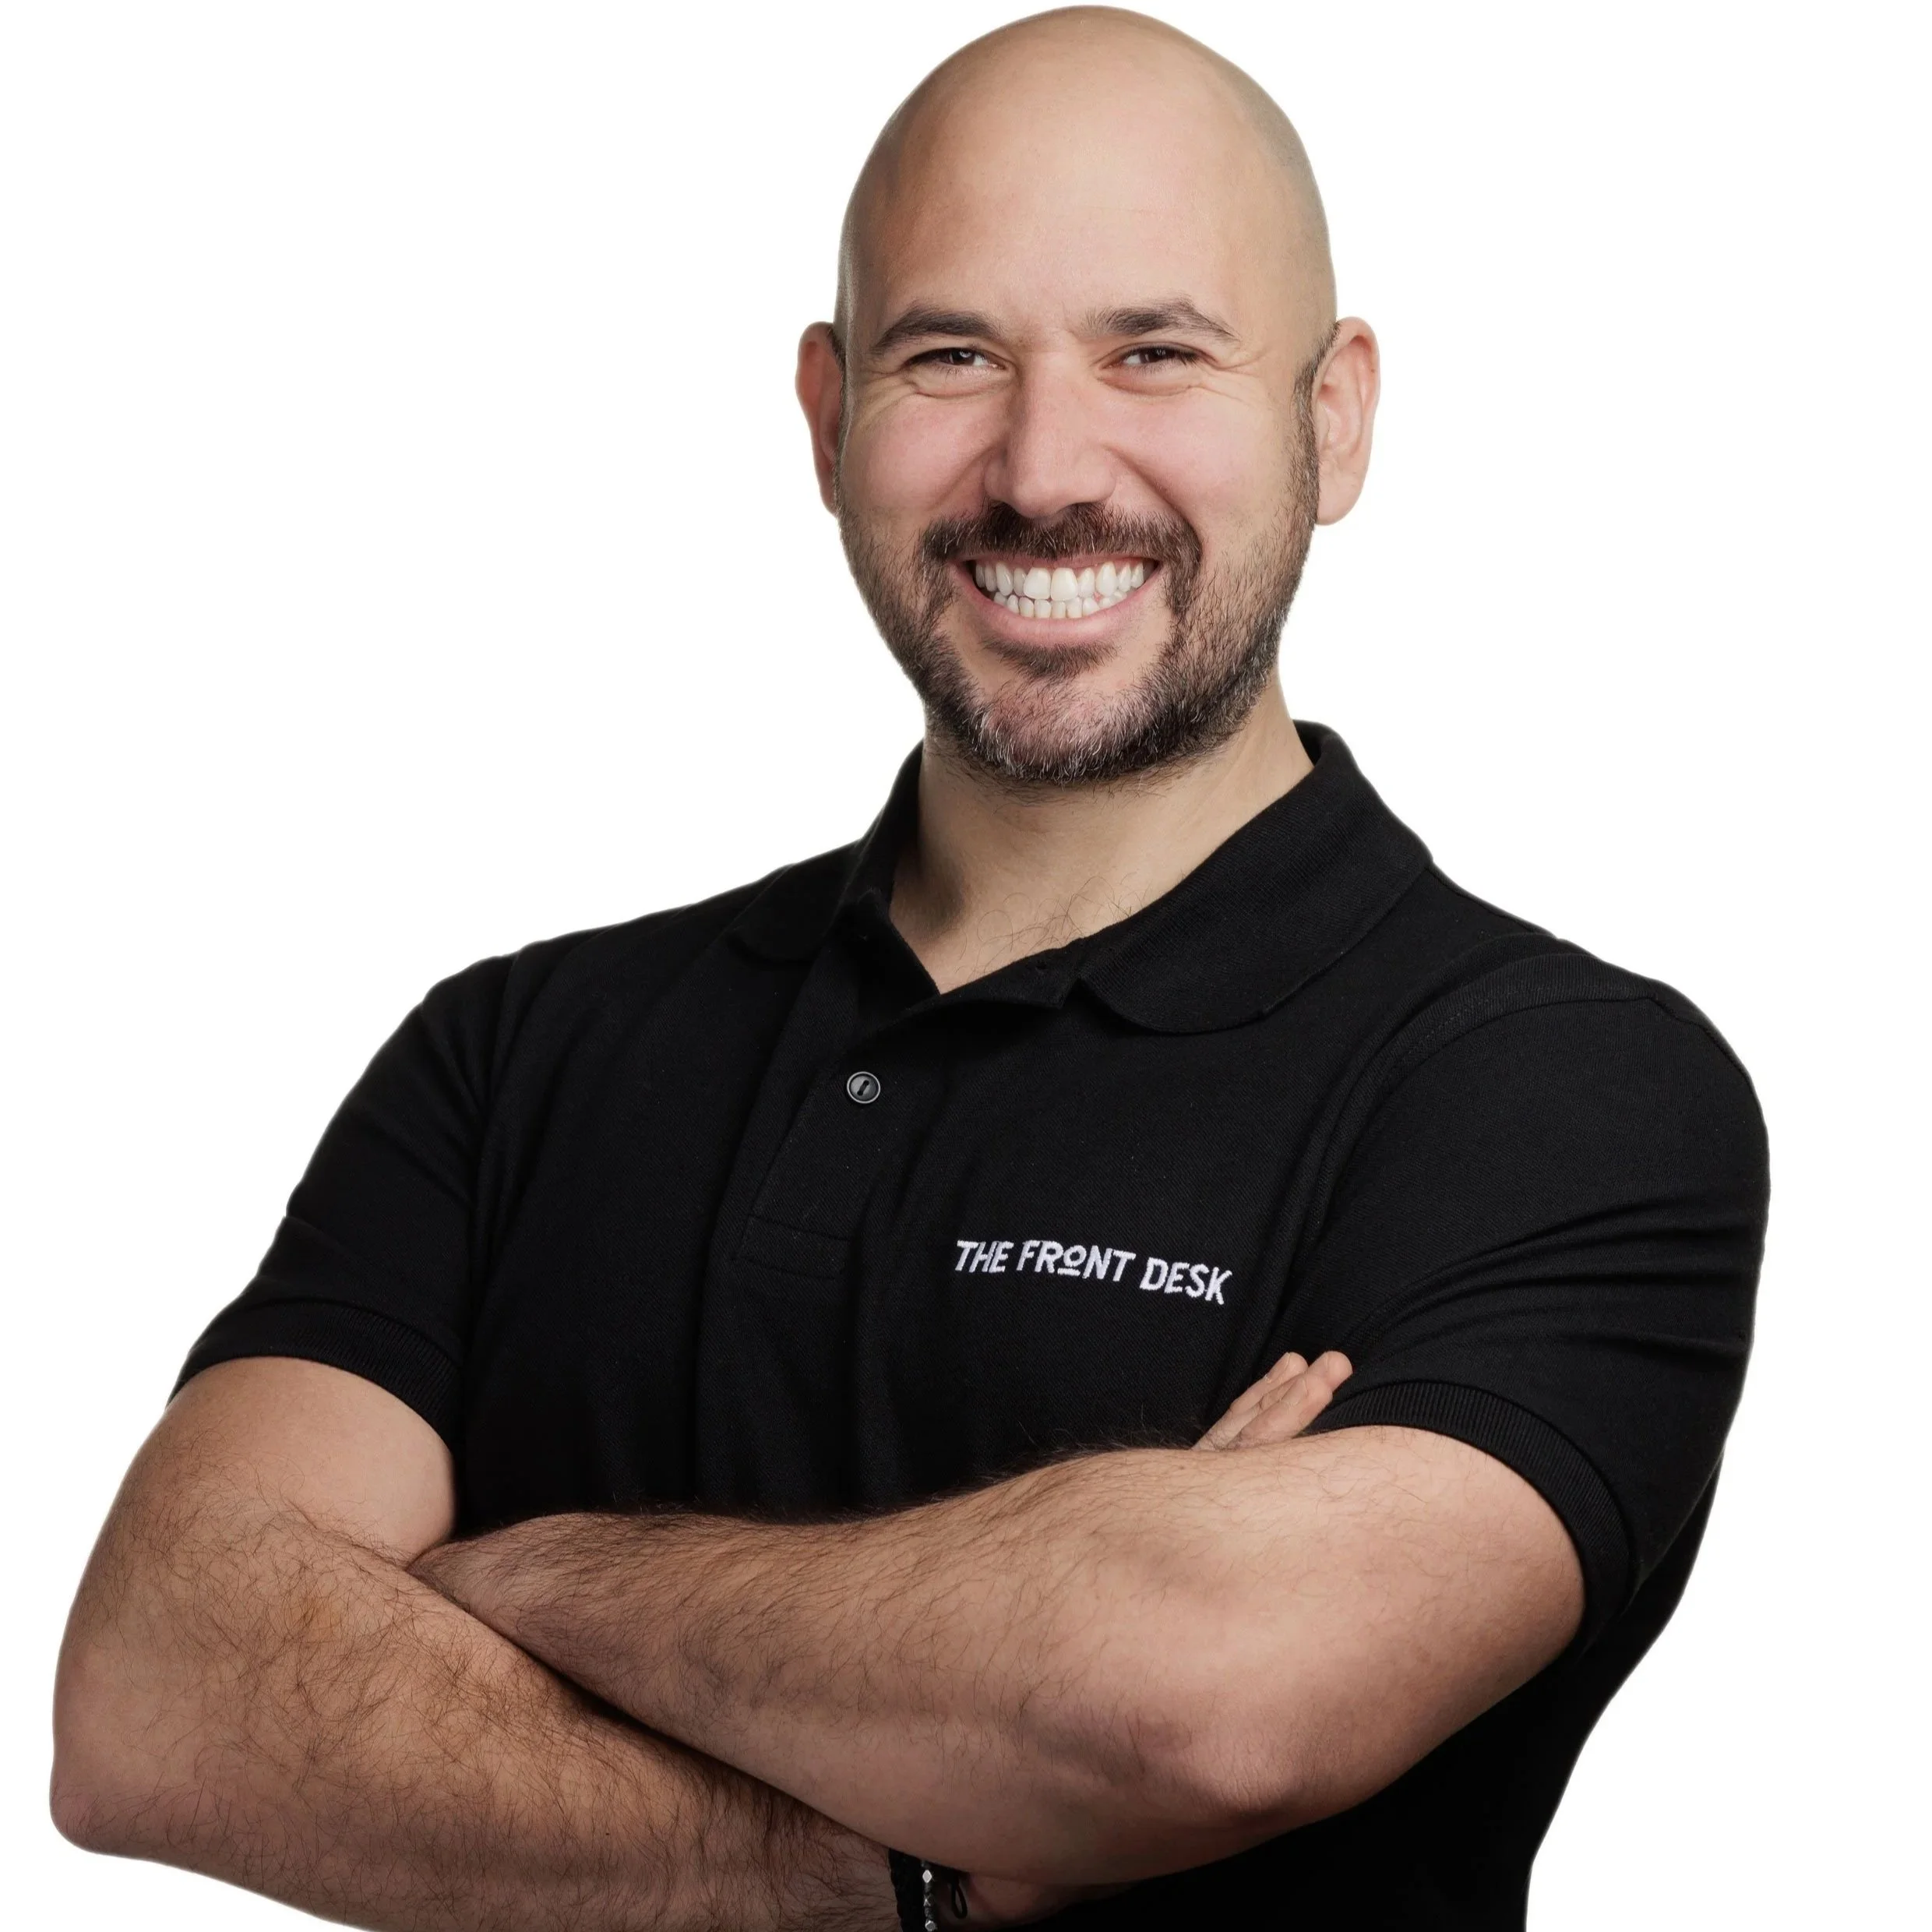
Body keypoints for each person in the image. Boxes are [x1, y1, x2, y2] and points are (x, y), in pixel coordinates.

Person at [51, 9, 1768, 1928]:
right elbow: (154, 1702)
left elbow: (1199, 1705)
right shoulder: (517, 1052)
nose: (1045, 469)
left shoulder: (1555, 1089)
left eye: (1157, 350)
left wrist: (507, 1580)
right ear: (826, 415)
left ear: (1335, 413)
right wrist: (929, 1854)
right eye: (948, 355)